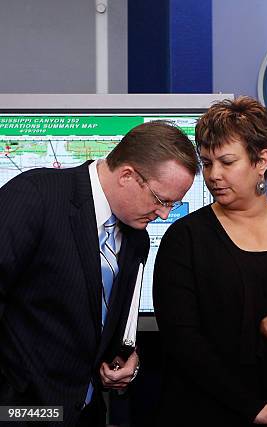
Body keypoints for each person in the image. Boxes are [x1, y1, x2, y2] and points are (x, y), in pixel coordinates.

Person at [0, 120, 199, 426]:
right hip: (20, 412)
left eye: (173, 204)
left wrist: (125, 358)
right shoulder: (36, 196)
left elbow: (106, 321)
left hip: (87, 413)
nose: (164, 214)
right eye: (161, 200)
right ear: (128, 175)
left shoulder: (136, 238)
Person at [153, 96, 267, 427]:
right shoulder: (184, 239)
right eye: (206, 163)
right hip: (203, 413)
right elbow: (183, 342)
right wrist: (254, 408)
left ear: (261, 160)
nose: (214, 175)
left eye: (227, 162)